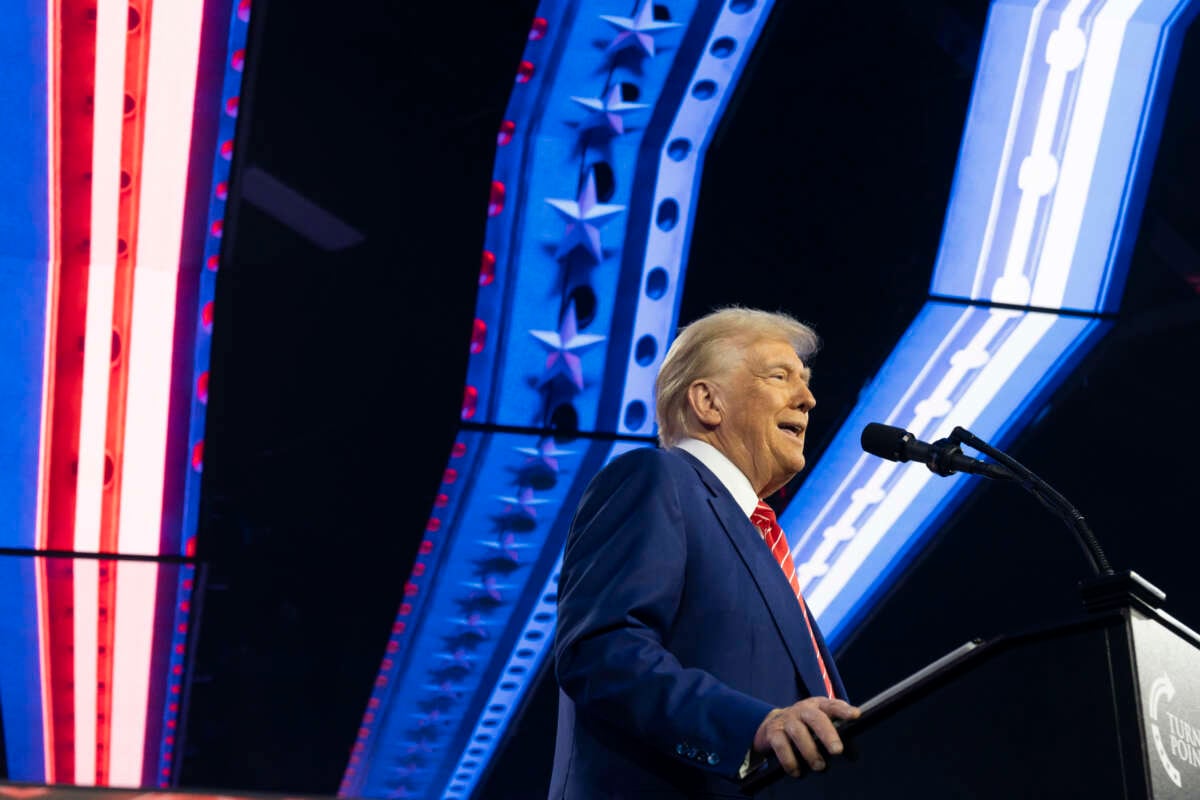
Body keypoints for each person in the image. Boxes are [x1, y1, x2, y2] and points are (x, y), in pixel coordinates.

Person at [549, 307, 860, 799]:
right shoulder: (654, 479)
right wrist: (753, 726)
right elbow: (602, 654)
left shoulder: (758, 537)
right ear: (708, 401)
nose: (808, 399)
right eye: (780, 377)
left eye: (805, 382)